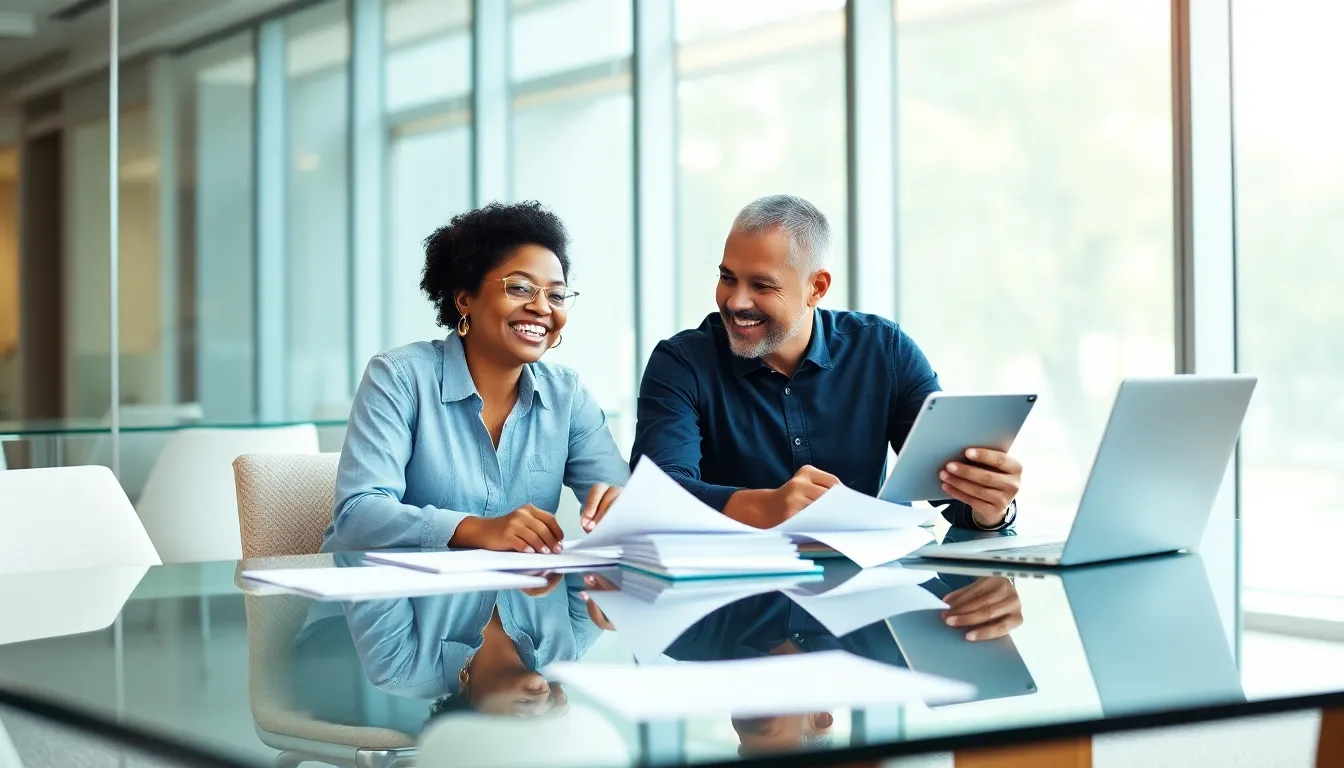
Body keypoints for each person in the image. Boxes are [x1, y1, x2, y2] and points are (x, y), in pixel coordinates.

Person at [594, 194, 1024, 634]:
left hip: (867, 605)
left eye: (762, 286)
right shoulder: (681, 362)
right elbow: (656, 497)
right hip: (727, 612)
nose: (736, 301)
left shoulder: (886, 350)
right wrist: (766, 507)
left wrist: (992, 508)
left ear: (816, 287)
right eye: (727, 278)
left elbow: (950, 491)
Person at [324, 201, 627, 554]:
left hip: (521, 596)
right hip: (386, 601)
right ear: (465, 299)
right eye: (520, 288)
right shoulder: (400, 376)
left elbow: (624, 501)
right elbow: (357, 515)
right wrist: (476, 530)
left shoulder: (567, 395)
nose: (543, 308)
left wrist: (622, 510)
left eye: (556, 295)